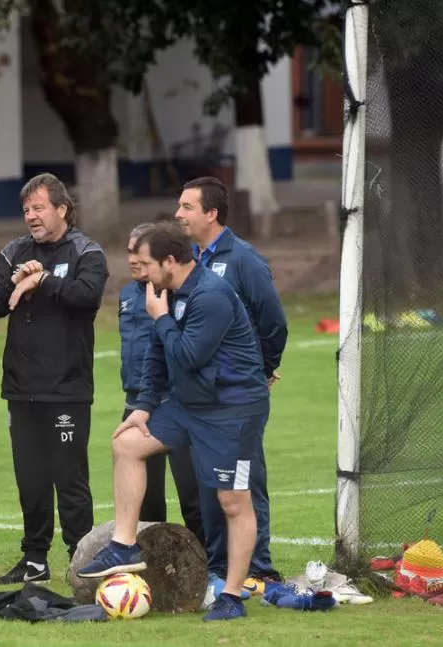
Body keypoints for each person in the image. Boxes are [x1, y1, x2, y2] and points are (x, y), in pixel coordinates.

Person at [76, 221, 270, 622]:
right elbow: (158, 354)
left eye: (146, 262)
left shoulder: (210, 296)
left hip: (232, 411)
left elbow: (188, 356)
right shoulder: (165, 292)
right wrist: (144, 406)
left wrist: (161, 317)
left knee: (233, 502)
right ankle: (125, 544)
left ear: (170, 261)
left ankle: (232, 595)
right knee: (127, 442)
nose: (140, 269)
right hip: (190, 405)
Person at [0, 173, 108, 585]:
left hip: (67, 388)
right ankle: (34, 559)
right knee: (31, 478)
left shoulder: (87, 251)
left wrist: (45, 280)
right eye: (26, 210)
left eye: (38, 208)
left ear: (62, 209)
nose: (31, 217)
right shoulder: (15, 250)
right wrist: (18, 280)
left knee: (69, 478)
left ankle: (81, 558)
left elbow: (86, 295)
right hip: (22, 388)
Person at [174, 176, 288, 590]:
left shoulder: (243, 259)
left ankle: (258, 568)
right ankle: (219, 567)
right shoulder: (186, 259)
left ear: (211, 213)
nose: (178, 214)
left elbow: (273, 321)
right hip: (200, 395)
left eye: (187, 207)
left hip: (237, 395)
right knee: (211, 480)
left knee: (244, 479)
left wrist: (262, 366)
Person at [119, 223, 203, 543]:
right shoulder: (128, 293)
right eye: (129, 252)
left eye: (140, 253)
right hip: (136, 401)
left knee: (191, 491)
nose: (133, 259)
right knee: (144, 497)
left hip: (173, 400)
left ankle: (208, 563)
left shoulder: (176, 291)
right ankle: (152, 563)